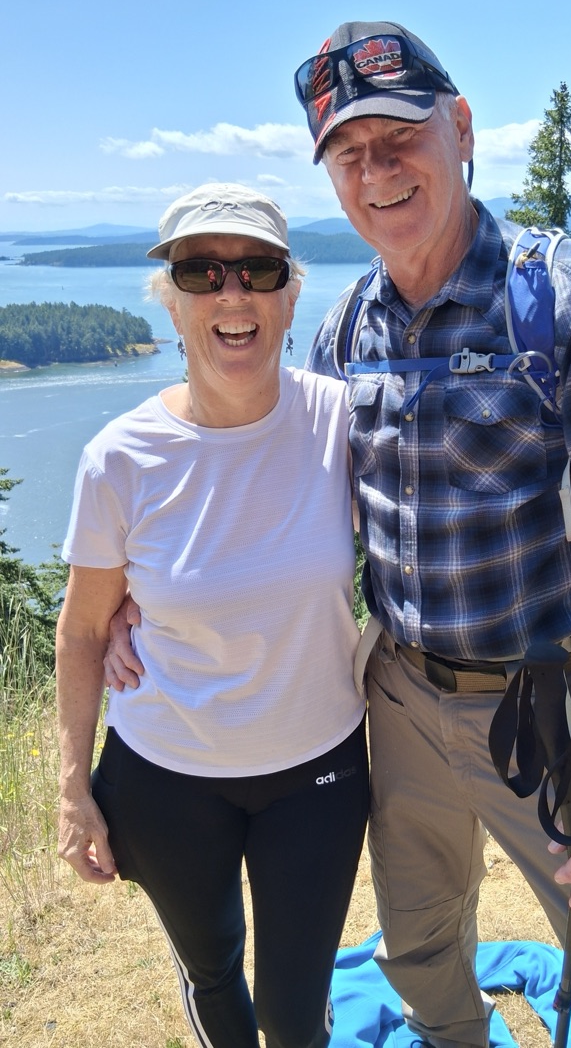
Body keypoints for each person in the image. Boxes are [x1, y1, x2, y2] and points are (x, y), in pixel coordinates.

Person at [108, 26, 571, 1048]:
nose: (378, 170)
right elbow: (268, 490)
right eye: (350, 153)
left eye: (400, 136)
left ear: (462, 130)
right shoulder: (344, 328)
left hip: (552, 703)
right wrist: (143, 586)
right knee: (421, 938)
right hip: (397, 692)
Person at [56, 182, 369, 1048]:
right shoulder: (118, 459)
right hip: (164, 779)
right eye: (202, 273)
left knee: (295, 1012)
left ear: (289, 294)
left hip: (319, 773)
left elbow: (432, 538)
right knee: (214, 977)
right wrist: (73, 789)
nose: (233, 295)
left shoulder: (342, 422)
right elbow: (84, 629)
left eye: (258, 270)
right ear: (174, 304)